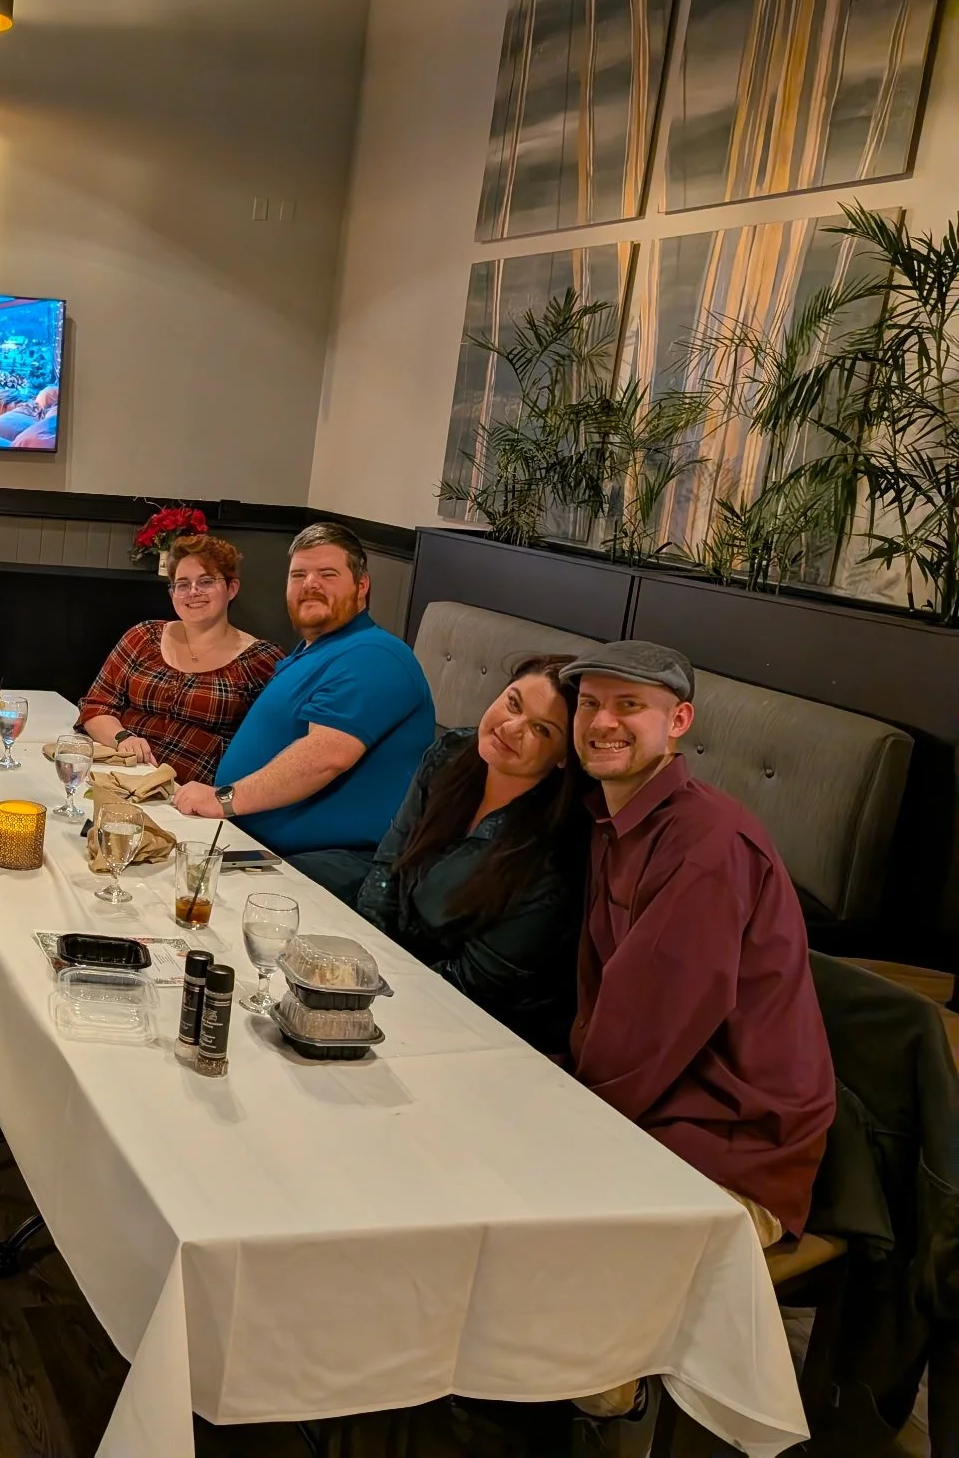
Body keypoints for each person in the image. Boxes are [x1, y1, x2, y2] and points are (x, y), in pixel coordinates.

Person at [560, 641, 835, 1422]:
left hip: (735, 1136)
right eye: (590, 704)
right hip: (662, 1100)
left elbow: (653, 1025)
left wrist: (565, 1121)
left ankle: (600, 1407)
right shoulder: (618, 818)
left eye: (629, 706)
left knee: (555, 1229)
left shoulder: (706, 841)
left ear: (678, 722)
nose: (603, 722)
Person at [179, 522, 435, 904]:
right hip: (258, 847)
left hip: (332, 864)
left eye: (327, 574)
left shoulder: (375, 654)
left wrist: (225, 799)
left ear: (362, 585)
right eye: (299, 575)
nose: (310, 584)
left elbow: (325, 757)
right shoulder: (315, 651)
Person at [355, 655, 585, 1054]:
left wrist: (376, 998)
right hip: (390, 974)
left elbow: (475, 982)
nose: (511, 728)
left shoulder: (555, 854)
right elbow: (388, 865)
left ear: (564, 756)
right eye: (513, 703)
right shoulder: (452, 752)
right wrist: (359, 965)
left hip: (478, 1030)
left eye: (541, 729)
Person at [76, 534, 284, 786]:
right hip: (118, 777)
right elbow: (97, 706)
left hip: (194, 797)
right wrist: (122, 738)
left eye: (206, 581)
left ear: (232, 588)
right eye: (182, 584)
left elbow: (275, 749)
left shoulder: (261, 660)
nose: (193, 592)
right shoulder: (143, 636)